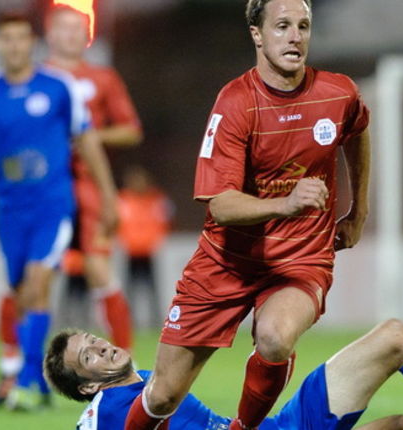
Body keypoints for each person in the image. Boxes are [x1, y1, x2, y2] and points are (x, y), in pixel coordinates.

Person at [124, 1, 372, 429]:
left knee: (275, 337)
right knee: (163, 394)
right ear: (257, 34)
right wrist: (286, 203)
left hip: (300, 258)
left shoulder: (339, 92)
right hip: (226, 262)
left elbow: (357, 130)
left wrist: (359, 210)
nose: (295, 36)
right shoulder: (236, 102)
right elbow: (220, 205)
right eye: (282, 26)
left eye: (303, 26)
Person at [0, 11, 117, 409]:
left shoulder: (58, 87)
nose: (15, 45)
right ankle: (37, 380)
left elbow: (87, 141)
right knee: (22, 294)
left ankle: (23, 380)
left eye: (22, 38)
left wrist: (108, 197)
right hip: (10, 210)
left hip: (53, 206)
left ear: (32, 42)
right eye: (7, 38)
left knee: (39, 283)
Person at [45, 319, 403, 430]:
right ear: (87, 385)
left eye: (93, 339)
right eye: (88, 357)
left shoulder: (143, 377)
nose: (101, 346)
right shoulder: (104, 412)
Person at [47, 3, 141, 351]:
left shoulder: (102, 78)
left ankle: (124, 360)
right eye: (64, 27)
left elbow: (131, 130)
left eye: (78, 28)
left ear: (86, 35)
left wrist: (90, 137)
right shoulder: (37, 80)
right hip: (46, 188)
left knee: (100, 269)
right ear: (50, 33)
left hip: (89, 186)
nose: (71, 35)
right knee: (34, 276)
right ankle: (19, 366)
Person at [117, 165, 174, 327]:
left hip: (149, 251)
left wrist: (156, 240)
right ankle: (127, 322)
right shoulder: (122, 200)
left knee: (153, 290)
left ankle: (156, 322)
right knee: (129, 290)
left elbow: (165, 220)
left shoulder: (156, 199)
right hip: (131, 251)